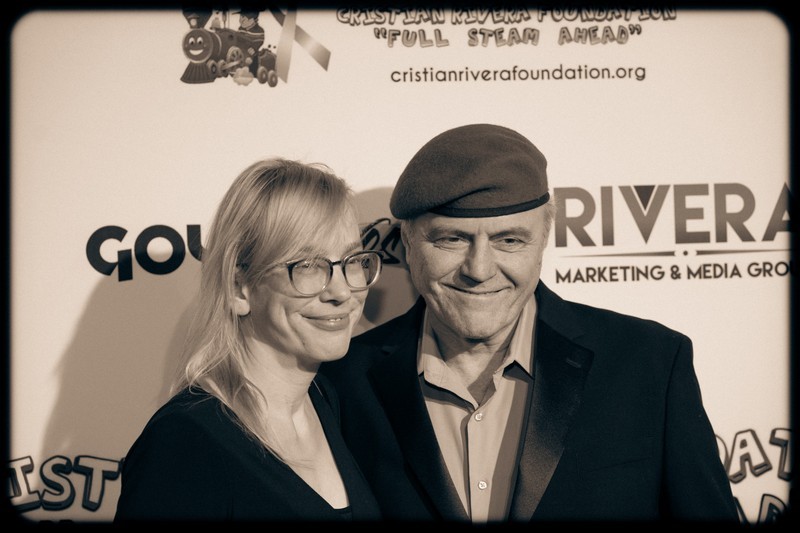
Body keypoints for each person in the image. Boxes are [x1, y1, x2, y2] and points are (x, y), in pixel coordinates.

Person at [320, 124, 740, 523]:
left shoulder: (649, 364)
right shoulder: (339, 382)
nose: (479, 269)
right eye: (452, 239)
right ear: (408, 244)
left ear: (544, 240)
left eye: (509, 240)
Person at [115, 158, 383, 522]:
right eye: (307, 265)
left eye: (352, 260)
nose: (342, 291)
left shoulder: (324, 400)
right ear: (238, 288)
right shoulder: (184, 443)